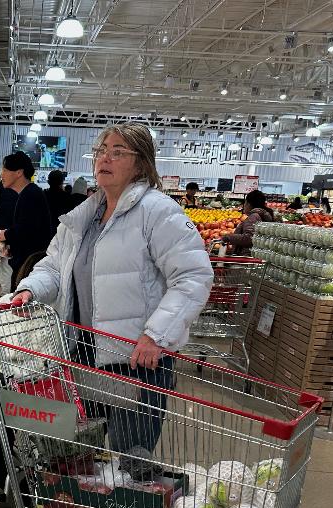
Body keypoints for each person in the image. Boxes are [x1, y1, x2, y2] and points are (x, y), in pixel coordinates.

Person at [13, 123, 213, 453]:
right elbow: (53, 266)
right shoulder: (85, 217)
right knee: (77, 460)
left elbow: (193, 276)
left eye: (118, 152)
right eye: (101, 150)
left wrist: (156, 336)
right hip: (83, 355)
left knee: (127, 465)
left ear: (141, 163)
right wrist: (30, 289)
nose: (105, 158)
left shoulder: (158, 212)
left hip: (135, 363)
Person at [0, 151, 55, 289]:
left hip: (29, 265)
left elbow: (26, 229)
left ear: (18, 173)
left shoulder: (30, 194)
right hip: (26, 261)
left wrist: (5, 235)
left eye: (5, 170)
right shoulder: (29, 192)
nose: (1, 174)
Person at [220, 189, 274, 254]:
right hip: (257, 253)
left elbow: (249, 238)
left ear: (248, 204)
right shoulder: (263, 215)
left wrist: (228, 237)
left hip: (247, 254)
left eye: (245, 202)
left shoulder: (254, 216)